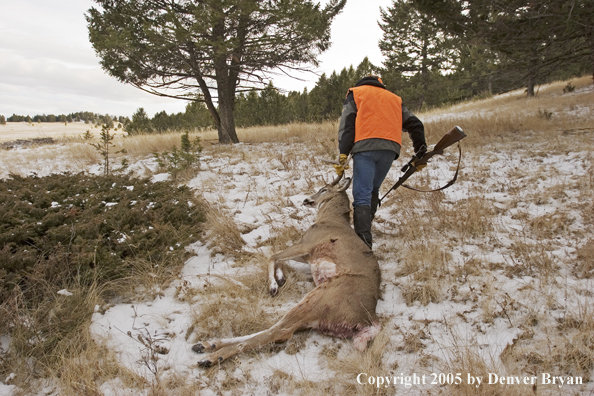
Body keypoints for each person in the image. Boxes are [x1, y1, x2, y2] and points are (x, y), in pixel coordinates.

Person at [334, 76, 426, 248]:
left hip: (365, 148)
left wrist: (343, 153)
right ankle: (364, 232)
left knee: (362, 194)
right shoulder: (394, 99)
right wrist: (420, 152)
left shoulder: (357, 93)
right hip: (390, 150)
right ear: (380, 84)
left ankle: (362, 245)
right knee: (372, 190)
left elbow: (347, 124)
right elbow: (416, 124)